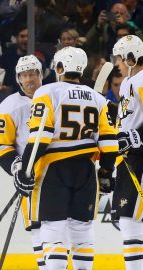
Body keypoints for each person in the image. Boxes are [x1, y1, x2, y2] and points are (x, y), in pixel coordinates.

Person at [13, 46, 119, 270]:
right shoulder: (96, 98)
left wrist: (26, 170)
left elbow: (41, 136)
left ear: (60, 67)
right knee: (82, 231)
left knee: (53, 230)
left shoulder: (47, 92)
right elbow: (109, 144)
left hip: (55, 169)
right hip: (87, 171)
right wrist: (106, 172)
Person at [0, 55, 46, 269]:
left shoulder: (54, 96)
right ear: (18, 78)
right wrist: (18, 168)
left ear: (41, 75)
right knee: (36, 227)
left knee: (63, 226)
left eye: (33, 73)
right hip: (32, 177)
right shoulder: (9, 105)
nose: (30, 78)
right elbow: (1, 145)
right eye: (25, 74)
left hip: (58, 170)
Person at [111, 34, 143, 270]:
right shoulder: (127, 83)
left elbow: (132, 130)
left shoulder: (141, 80)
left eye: (120, 58)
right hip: (127, 158)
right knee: (127, 219)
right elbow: (124, 120)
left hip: (139, 158)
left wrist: (135, 137)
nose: (117, 63)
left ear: (131, 58)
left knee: (131, 220)